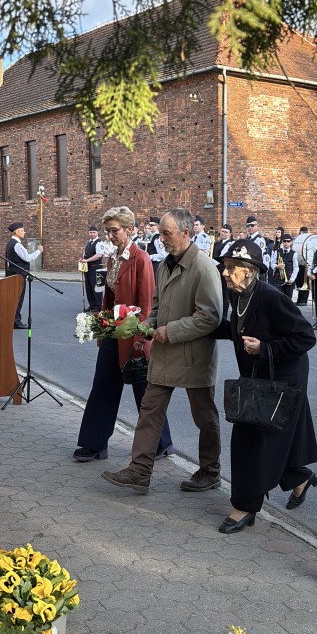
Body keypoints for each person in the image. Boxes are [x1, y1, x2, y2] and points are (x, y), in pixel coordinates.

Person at [101, 207, 222, 494]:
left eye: (167, 234)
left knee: (204, 417)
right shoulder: (165, 264)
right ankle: (139, 471)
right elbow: (156, 309)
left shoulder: (204, 267)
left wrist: (171, 330)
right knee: (150, 410)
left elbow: (211, 316)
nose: (162, 239)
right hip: (164, 354)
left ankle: (210, 471)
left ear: (186, 233)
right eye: (160, 233)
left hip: (194, 357)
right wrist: (141, 327)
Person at [213, 240, 317, 533]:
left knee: (252, 438)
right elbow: (239, 329)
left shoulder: (272, 297)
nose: (224, 272)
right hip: (260, 374)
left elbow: (306, 338)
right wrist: (203, 326)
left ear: (248, 271)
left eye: (231, 267)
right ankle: (297, 478)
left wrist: (266, 348)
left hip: (283, 374)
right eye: (225, 266)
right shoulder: (238, 294)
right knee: (271, 436)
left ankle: (244, 506)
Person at [73, 206, 173, 463]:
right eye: (107, 231)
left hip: (135, 338)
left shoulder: (141, 259)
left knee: (144, 394)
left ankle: (162, 443)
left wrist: (141, 339)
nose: (110, 236)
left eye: (114, 231)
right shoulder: (112, 257)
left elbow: (147, 307)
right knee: (103, 387)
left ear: (130, 230)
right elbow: (108, 298)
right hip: (112, 333)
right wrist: (101, 329)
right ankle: (94, 443)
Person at [5, 222, 43, 329]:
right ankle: (16, 321)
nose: (24, 232)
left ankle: (12, 319)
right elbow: (27, 258)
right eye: (22, 230)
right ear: (16, 232)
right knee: (18, 299)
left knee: (14, 299)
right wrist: (38, 251)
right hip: (18, 275)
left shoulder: (9, 243)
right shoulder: (17, 245)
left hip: (12, 275)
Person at [81, 226, 105, 312]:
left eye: (94, 232)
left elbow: (99, 255)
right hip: (88, 268)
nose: (92, 234)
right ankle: (92, 304)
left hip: (96, 268)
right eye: (91, 232)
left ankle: (98, 305)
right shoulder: (88, 243)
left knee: (96, 287)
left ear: (97, 233)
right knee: (89, 287)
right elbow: (85, 254)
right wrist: (82, 259)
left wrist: (87, 260)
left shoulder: (99, 243)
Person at [212, 223, 234, 318]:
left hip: (223, 270)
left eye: (226, 232)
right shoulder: (217, 243)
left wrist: (209, 262)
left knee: (224, 294)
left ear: (230, 234)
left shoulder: (230, 243)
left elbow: (222, 257)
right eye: (222, 231)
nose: (224, 233)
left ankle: (224, 316)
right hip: (215, 270)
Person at [270, 233, 298, 298]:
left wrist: (292, 279)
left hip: (289, 279)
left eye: (288, 241)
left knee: (288, 299)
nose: (286, 243)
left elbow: (296, 267)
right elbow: (272, 263)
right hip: (278, 279)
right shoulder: (277, 251)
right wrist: (277, 266)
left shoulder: (294, 253)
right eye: (284, 241)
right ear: (282, 242)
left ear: (291, 242)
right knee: (277, 298)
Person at [295, 226, 310, 306]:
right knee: (299, 282)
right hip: (299, 263)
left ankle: (304, 300)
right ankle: (299, 299)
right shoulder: (298, 240)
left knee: (305, 282)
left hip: (306, 264)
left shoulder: (309, 240)